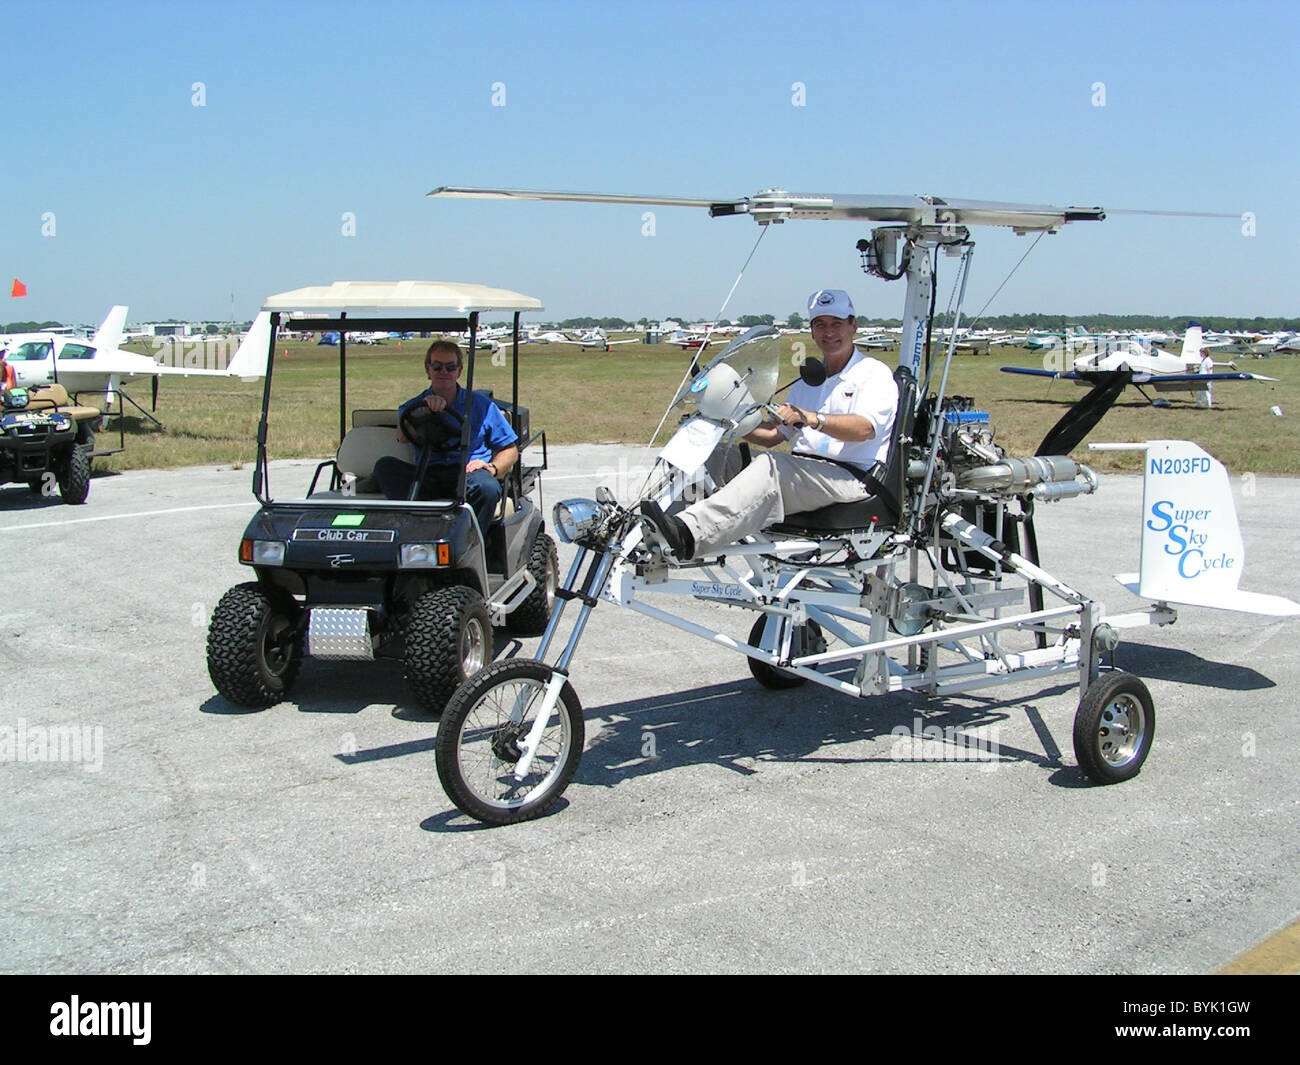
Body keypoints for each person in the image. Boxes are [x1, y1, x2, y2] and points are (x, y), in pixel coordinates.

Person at [641, 289, 899, 561]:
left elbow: (864, 429)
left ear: (853, 325)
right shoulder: (809, 380)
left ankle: (686, 535)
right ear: (812, 330)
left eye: (837, 324)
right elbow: (773, 435)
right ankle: (654, 531)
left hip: (851, 478)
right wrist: (727, 417)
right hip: (805, 472)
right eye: (820, 324)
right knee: (716, 458)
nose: (829, 332)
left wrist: (813, 419)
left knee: (771, 468)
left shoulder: (874, 373)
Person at [373, 340, 519, 530]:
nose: (444, 372)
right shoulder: (413, 406)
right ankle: (412, 532)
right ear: (428, 369)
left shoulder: (481, 406)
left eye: (450, 367)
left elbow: (509, 449)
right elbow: (402, 436)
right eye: (437, 366)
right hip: (427, 474)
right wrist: (423, 412)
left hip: (468, 474)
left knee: (488, 487)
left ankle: (470, 543)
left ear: (459, 371)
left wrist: (492, 468)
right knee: (385, 467)